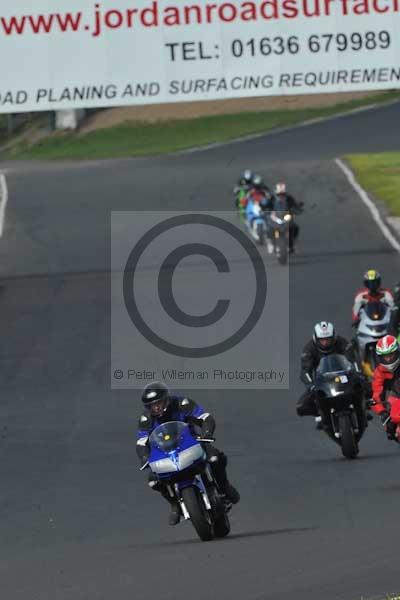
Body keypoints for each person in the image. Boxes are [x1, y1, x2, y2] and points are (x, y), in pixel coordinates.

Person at [136, 382, 240, 525]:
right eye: (152, 406)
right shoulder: (146, 419)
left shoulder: (182, 404)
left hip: (193, 443)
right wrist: (144, 456)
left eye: (158, 403)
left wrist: (206, 433)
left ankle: (224, 486)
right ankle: (174, 504)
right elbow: (141, 441)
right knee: (154, 480)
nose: (156, 408)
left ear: (166, 399)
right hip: (167, 453)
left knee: (215, 459)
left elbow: (205, 417)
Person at [296, 321, 367, 425]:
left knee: (367, 387)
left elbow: (354, 359)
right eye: (322, 340)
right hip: (323, 380)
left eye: (328, 339)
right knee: (302, 406)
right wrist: (311, 385)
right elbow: (305, 371)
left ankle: (362, 407)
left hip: (344, 375)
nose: (325, 342)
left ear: (333, 336)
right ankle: (321, 414)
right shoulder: (309, 349)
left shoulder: (342, 342)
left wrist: (359, 373)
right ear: (316, 338)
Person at [371, 335, 400, 440]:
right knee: (390, 430)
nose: (388, 359)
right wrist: (381, 411)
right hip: (395, 399)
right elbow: (376, 393)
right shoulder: (379, 371)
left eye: (391, 355)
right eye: (385, 356)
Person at [272, 182, 303, 253]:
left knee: (295, 227)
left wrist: (297, 209)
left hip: (286, 217)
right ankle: (271, 243)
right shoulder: (273, 198)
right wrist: (264, 208)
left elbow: (295, 205)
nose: (281, 195)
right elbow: (266, 204)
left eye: (282, 194)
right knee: (269, 228)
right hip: (276, 217)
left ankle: (292, 244)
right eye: (279, 194)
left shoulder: (289, 198)